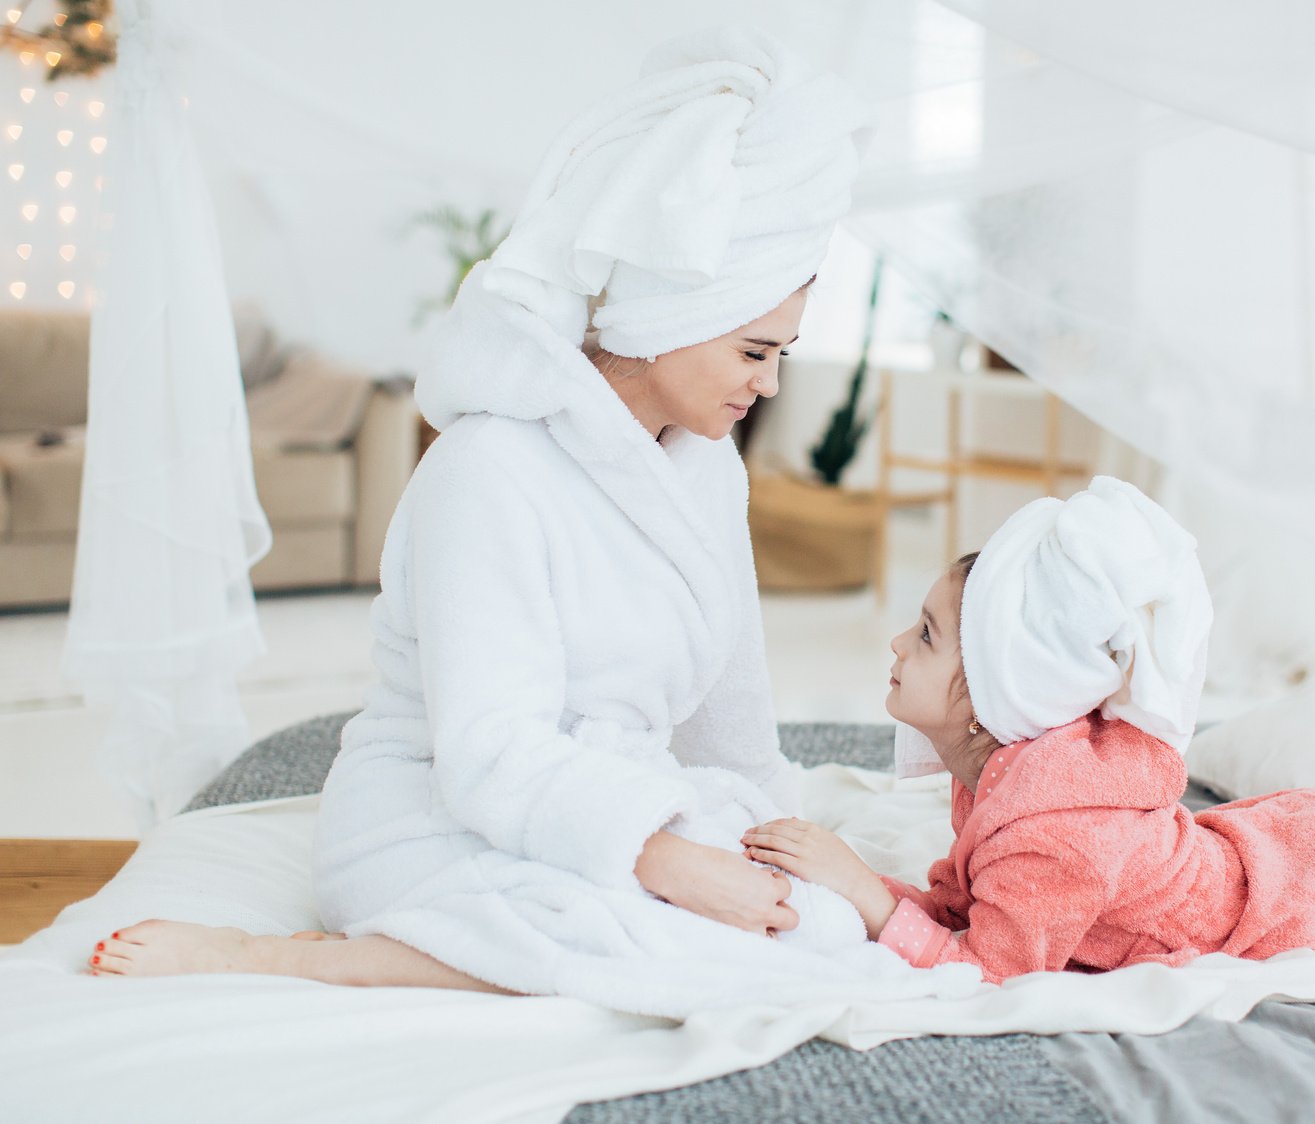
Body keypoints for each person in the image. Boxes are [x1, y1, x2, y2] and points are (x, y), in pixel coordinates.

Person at [85, 25, 877, 1001]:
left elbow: (732, 712)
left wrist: (782, 842)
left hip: (607, 807)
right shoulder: (489, 468)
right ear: (671, 316)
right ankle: (283, 954)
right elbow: (489, 750)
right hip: (436, 816)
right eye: (755, 351)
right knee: (627, 949)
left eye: (783, 354)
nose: (768, 384)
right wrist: (666, 859)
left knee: (824, 933)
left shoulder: (704, 466)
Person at [741, 476, 1315, 985]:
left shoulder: (1053, 825)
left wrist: (867, 896)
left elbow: (991, 968)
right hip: (1282, 850)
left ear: (992, 693)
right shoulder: (1007, 771)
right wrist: (864, 885)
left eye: (931, 635)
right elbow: (973, 903)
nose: (898, 642)